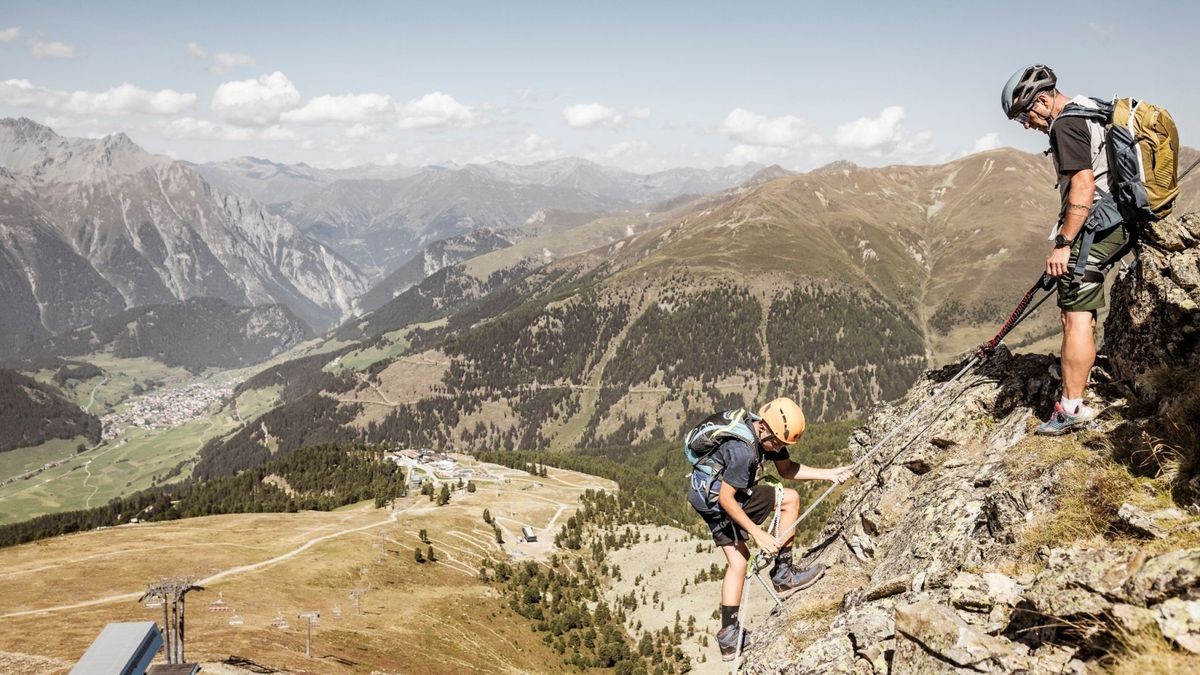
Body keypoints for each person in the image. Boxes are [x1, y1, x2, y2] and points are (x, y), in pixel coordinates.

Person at [1001, 64, 1130, 435]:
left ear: (1041, 100)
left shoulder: (1065, 124)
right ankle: (1075, 389)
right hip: (1115, 221)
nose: (1027, 124)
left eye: (1025, 115)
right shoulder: (1091, 108)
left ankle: (1071, 408)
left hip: (1095, 227)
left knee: (1075, 316)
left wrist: (1064, 243)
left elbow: (1084, 186)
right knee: (1078, 312)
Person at [686, 397, 854, 661]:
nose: (778, 448)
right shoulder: (743, 451)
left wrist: (829, 474)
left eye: (783, 444)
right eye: (776, 442)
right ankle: (784, 574)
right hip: (719, 500)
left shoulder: (767, 433)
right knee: (790, 500)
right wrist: (758, 533)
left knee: (738, 563)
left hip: (703, 495)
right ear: (763, 427)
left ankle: (729, 636)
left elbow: (787, 470)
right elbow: (727, 499)